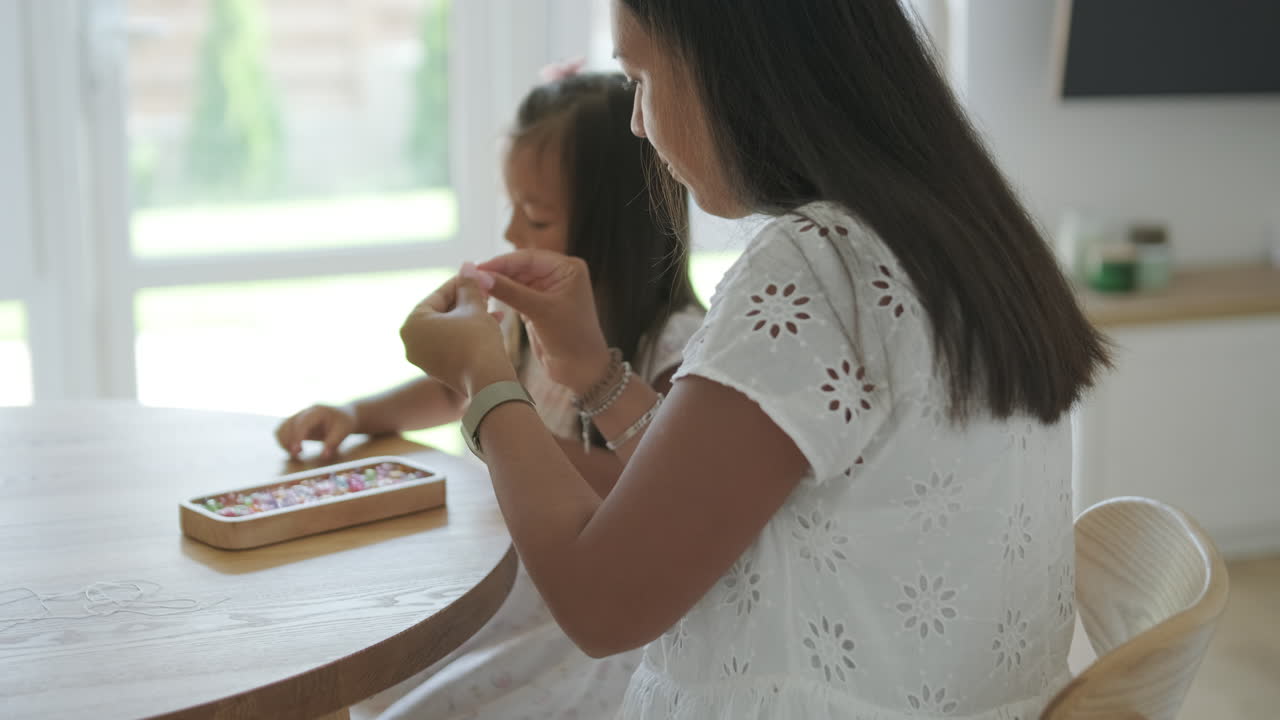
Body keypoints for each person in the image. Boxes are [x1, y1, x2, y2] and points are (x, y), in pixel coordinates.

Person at [398, 1, 1112, 719]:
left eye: (641, 79)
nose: (639, 124)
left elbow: (602, 606)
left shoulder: (816, 268)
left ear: (730, 70)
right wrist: (593, 372)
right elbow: (728, 499)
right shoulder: (959, 236)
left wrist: (481, 380)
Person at [276, 69, 704, 720]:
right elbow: (454, 391)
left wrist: (510, 433)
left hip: (583, 623)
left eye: (534, 216)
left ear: (620, 229)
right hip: (505, 578)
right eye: (511, 207)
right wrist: (359, 413)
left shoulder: (672, 347)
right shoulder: (530, 324)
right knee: (360, 674)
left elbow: (650, 490)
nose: (510, 234)